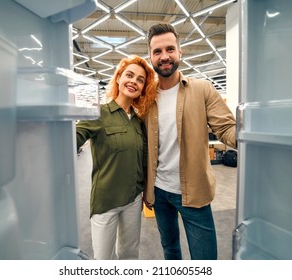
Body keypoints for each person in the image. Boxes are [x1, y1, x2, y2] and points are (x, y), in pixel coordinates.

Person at [143, 23, 237, 260]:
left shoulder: (202, 89)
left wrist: (250, 137)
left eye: (170, 49)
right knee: (170, 250)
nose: (164, 56)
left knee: (205, 259)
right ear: (150, 57)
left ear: (180, 52)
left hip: (194, 191)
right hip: (159, 190)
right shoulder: (145, 98)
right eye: (157, 51)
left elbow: (226, 128)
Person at [76, 55, 157, 260]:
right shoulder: (98, 113)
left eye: (140, 80)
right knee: (104, 260)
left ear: (142, 88)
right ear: (119, 78)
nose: (134, 82)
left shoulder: (139, 122)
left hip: (133, 199)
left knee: (130, 255)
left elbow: (144, 161)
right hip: (106, 202)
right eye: (129, 75)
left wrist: (146, 193)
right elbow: (72, 140)